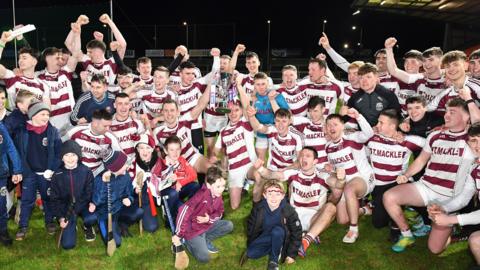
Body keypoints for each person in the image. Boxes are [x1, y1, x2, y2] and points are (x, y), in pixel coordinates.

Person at [383, 98, 475, 252]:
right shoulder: (435, 135)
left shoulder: (473, 141)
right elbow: (420, 160)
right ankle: (407, 234)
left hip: (449, 197)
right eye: (446, 111)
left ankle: (450, 226)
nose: (446, 115)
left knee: (435, 249)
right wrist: (406, 175)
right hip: (426, 187)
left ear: (466, 117)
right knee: (389, 197)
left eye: (452, 112)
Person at [254, 147, 345, 258]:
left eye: (308, 156)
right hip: (293, 216)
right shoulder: (293, 173)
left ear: (315, 161)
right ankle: (309, 235)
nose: (303, 158)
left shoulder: (322, 175)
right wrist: (260, 169)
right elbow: (272, 175)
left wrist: (342, 179)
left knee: (331, 208)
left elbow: (338, 185)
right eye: (301, 156)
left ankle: (305, 241)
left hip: (314, 218)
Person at [367, 109, 425, 241]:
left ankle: (396, 225)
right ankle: (399, 209)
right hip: (377, 185)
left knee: (397, 193)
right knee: (378, 223)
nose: (377, 124)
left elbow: (431, 143)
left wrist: (407, 133)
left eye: (381, 122)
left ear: (393, 126)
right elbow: (350, 135)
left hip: (397, 183)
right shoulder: (371, 137)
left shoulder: (406, 141)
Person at [426, 124, 480, 262]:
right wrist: (443, 208)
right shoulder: (474, 167)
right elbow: (463, 198)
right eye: (473, 140)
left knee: (476, 241)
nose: (477, 145)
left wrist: (451, 220)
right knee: (434, 247)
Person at [324, 109, 375, 244]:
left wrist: (358, 116)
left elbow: (369, 133)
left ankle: (354, 229)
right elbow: (338, 168)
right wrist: (331, 169)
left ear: (342, 126)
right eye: (328, 125)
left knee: (348, 190)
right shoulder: (328, 147)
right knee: (342, 220)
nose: (331, 127)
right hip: (346, 182)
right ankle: (365, 210)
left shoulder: (352, 138)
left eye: (335, 124)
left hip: (363, 178)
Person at [14, 102, 62, 240]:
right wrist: (25, 170)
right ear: (33, 115)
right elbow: (19, 152)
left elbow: (59, 153)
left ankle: (49, 221)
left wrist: (51, 169)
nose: (46, 117)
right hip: (29, 173)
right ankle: (23, 226)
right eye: (43, 114)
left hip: (46, 173)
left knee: (47, 198)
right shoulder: (23, 131)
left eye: (48, 114)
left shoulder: (52, 131)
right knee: (27, 199)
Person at [173, 166, 233, 263]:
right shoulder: (200, 196)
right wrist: (179, 234)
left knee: (229, 225)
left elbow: (220, 213)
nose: (221, 189)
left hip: (206, 225)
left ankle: (205, 238)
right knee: (204, 258)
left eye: (223, 186)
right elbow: (183, 210)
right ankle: (187, 241)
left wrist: (209, 219)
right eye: (218, 186)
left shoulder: (218, 195)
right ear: (209, 185)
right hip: (193, 230)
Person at [240, 180, 302, 270]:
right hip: (265, 237)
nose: (274, 197)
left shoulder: (289, 211)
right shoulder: (258, 209)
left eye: (277, 194)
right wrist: (251, 243)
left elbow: (297, 232)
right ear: (264, 195)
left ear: (282, 196)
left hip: (280, 236)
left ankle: (274, 261)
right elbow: (251, 228)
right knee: (251, 254)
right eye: (270, 194)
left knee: (277, 231)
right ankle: (275, 247)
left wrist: (291, 254)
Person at [153, 85, 212, 178]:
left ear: (177, 112)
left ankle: (206, 191)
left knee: (211, 169)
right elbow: (157, 153)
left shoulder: (184, 121)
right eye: (166, 111)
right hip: (174, 164)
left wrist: (211, 84)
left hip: (191, 158)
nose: (169, 114)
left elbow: (201, 105)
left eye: (172, 110)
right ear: (162, 112)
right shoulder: (157, 132)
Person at [50, 140, 97, 249]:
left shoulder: (86, 171)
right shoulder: (57, 175)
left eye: (73, 155)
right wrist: (61, 217)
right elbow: (54, 198)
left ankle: (87, 226)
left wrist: (80, 207)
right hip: (66, 209)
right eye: (66, 155)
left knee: (92, 218)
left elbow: (89, 192)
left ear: (78, 156)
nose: (70, 158)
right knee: (68, 245)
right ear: (62, 157)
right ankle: (72, 225)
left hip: (82, 205)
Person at [213, 99, 259, 209]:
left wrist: (238, 84)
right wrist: (214, 158)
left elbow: (246, 103)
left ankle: (257, 206)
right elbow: (216, 150)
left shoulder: (246, 122)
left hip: (250, 165)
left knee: (259, 175)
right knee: (234, 206)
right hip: (235, 169)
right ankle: (242, 186)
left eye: (237, 110)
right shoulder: (223, 131)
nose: (233, 113)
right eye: (230, 110)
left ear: (242, 111)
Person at [92, 150, 143, 248]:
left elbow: (129, 193)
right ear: (116, 167)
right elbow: (97, 201)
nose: (128, 166)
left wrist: (129, 199)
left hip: (119, 208)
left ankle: (121, 225)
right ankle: (103, 226)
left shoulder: (125, 175)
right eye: (125, 164)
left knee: (138, 212)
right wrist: (103, 183)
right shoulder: (100, 179)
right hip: (106, 214)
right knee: (116, 243)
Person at [237, 72, 290, 162]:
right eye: (258, 84)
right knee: (260, 159)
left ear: (268, 84)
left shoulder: (276, 95)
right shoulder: (253, 98)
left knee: (276, 159)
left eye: (263, 84)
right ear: (254, 85)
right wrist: (239, 86)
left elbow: (288, 114)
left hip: (275, 131)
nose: (261, 87)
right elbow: (246, 106)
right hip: (260, 132)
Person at [153, 135, 200, 227]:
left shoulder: (181, 159)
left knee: (195, 186)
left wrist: (180, 182)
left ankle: (190, 209)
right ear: (166, 151)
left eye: (177, 149)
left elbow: (193, 174)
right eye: (171, 150)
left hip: (179, 189)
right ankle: (169, 217)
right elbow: (156, 184)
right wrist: (171, 182)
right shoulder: (161, 164)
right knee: (173, 194)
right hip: (167, 193)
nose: (175, 153)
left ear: (181, 149)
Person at [385, 37, 447, 105]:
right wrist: (389, 49)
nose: (427, 64)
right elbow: (394, 70)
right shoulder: (419, 78)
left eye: (431, 60)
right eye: (425, 61)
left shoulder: (448, 78)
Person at [0, 32, 50, 110]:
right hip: (15, 120)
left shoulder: (43, 85)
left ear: (34, 62)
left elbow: (47, 109)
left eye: (24, 58)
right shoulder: (12, 77)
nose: (20, 61)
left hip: (36, 121)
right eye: (19, 58)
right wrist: (2, 42)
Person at [65, 109, 122, 177]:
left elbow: (121, 158)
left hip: (96, 175)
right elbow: (60, 146)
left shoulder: (111, 138)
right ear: (95, 123)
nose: (108, 129)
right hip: (73, 173)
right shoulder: (76, 130)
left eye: (109, 126)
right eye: (105, 126)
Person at [0, 121, 22, 246]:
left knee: (1, 204)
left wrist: (17, 169)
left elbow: (10, 147)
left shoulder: (1, 128)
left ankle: (3, 231)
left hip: (1, 175)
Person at [110, 93, 146, 160]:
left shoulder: (137, 123)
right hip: (118, 164)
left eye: (126, 104)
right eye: (120, 104)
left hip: (135, 163)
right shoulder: (108, 125)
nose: (123, 107)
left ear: (130, 105)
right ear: (114, 105)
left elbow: (144, 145)